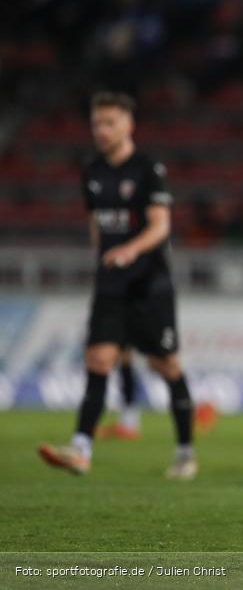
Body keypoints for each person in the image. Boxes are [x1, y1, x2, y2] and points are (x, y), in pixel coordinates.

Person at [38, 91, 197, 480]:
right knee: (99, 360)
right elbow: (96, 225)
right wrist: (104, 259)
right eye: (96, 124)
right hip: (111, 285)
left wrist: (129, 250)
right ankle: (81, 449)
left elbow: (160, 226)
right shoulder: (91, 170)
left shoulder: (147, 169)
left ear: (128, 125)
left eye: (109, 123)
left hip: (149, 285)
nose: (102, 131)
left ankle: (185, 453)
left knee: (167, 365)